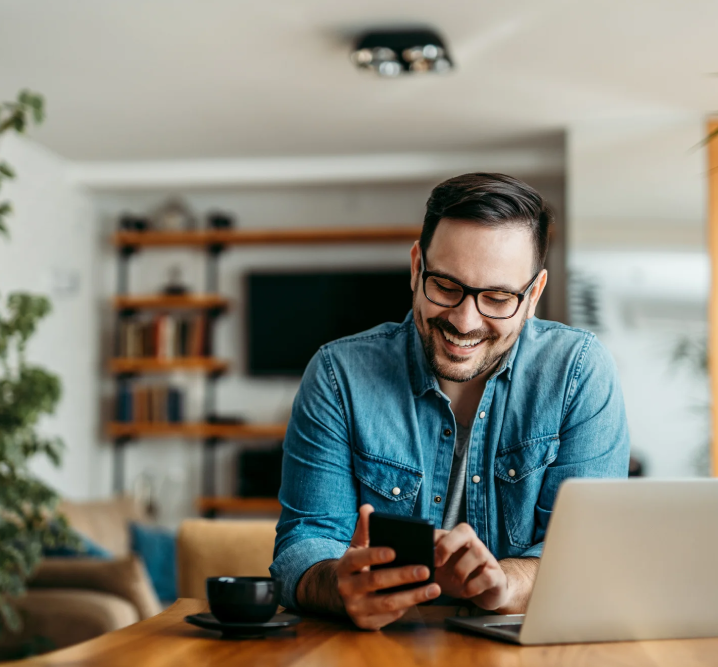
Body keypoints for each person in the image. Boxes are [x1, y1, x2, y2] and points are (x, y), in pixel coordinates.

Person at [269, 173, 630, 630]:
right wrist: (338, 585)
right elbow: (303, 547)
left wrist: (505, 583)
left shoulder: (579, 372)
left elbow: (589, 555)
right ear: (417, 267)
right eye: (445, 286)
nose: (464, 321)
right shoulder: (338, 375)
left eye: (497, 297)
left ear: (533, 294)